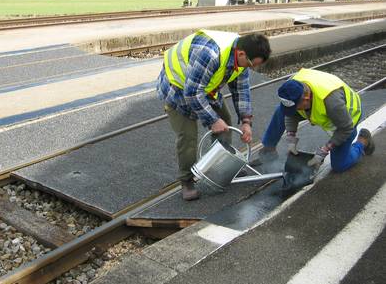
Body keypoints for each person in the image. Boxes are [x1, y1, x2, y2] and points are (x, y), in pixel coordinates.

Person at [156, 29, 271, 201]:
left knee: (225, 126)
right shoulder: (210, 54)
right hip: (177, 89)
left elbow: (241, 89)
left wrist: (246, 121)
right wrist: (212, 120)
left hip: (205, 89)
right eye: (250, 64)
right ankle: (187, 180)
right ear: (241, 53)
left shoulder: (242, 57)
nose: (250, 68)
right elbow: (192, 93)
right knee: (188, 136)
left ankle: (220, 168)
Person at [260, 68, 375, 173]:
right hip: (317, 108)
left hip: (347, 120)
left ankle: (362, 143)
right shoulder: (292, 87)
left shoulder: (331, 103)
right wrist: (291, 138)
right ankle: (269, 148)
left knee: (339, 165)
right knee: (280, 110)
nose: (294, 110)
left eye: (296, 107)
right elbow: (291, 114)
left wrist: (323, 151)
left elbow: (346, 128)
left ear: (306, 98)